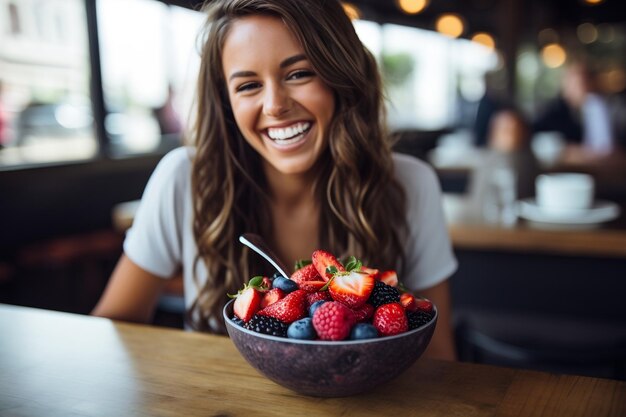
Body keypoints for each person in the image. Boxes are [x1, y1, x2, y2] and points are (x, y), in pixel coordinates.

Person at [92, 0, 458, 360]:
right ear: (226, 105)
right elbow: (112, 333)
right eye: (248, 86)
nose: (274, 105)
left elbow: (439, 357)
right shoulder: (184, 178)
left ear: (343, 77)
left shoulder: (411, 184)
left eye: (299, 74)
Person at [468, 108, 540, 223]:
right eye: (502, 129)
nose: (507, 133)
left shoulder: (525, 162)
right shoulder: (486, 160)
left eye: (511, 129)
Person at [532, 61, 615, 157]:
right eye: (574, 83)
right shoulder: (555, 110)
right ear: (565, 86)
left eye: (583, 82)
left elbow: (604, 148)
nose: (580, 88)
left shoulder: (597, 107)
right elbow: (535, 135)